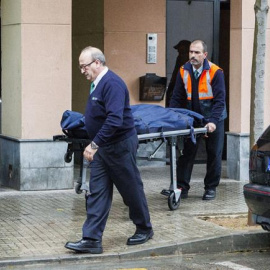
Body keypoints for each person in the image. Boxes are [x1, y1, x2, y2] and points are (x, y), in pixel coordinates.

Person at [65, 46, 153, 254]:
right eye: (80, 67)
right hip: (104, 147)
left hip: (119, 145)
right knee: (98, 192)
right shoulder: (97, 84)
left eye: (84, 66)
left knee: (130, 189)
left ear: (97, 62)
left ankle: (144, 228)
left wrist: (94, 144)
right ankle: (92, 239)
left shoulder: (112, 83)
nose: (82, 70)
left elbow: (115, 119)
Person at [169, 39, 227, 200]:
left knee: (214, 153)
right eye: (191, 52)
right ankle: (182, 187)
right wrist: (172, 117)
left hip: (213, 117)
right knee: (187, 153)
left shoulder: (216, 72)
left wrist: (213, 121)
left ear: (205, 55)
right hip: (193, 118)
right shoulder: (183, 70)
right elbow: (177, 97)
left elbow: (220, 100)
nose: (193, 55)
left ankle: (210, 188)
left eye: (197, 52)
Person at [165, 40, 191, 107]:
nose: (180, 54)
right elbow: (174, 77)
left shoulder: (191, 64)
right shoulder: (180, 60)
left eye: (182, 52)